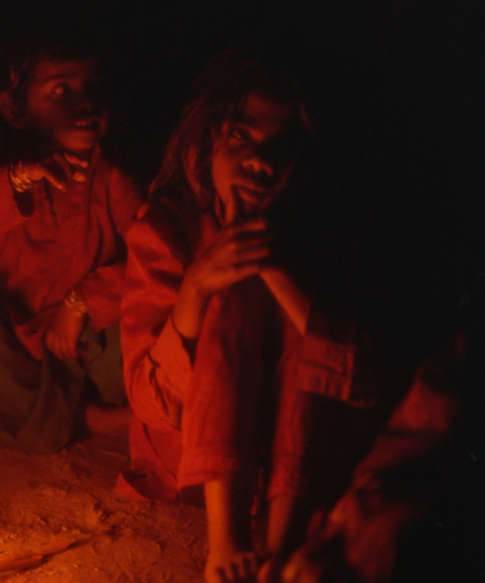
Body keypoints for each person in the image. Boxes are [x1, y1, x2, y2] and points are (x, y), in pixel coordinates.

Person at [117, 44, 384, 583]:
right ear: (206, 142)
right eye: (241, 136)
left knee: (303, 308)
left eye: (282, 148)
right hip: (193, 462)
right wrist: (197, 286)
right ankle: (228, 542)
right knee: (230, 285)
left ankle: (279, 549)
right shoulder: (165, 230)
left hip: (301, 471)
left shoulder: (332, 241)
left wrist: (276, 264)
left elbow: (366, 382)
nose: (261, 161)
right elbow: (150, 401)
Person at [0, 35, 144, 469]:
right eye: (61, 90)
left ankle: (79, 411)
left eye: (93, 88)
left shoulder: (113, 180)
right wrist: (19, 179)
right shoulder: (12, 178)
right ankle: (79, 420)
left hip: (86, 340)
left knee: (143, 319)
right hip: (20, 343)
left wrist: (82, 301)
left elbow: (153, 255)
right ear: (15, 108)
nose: (85, 102)